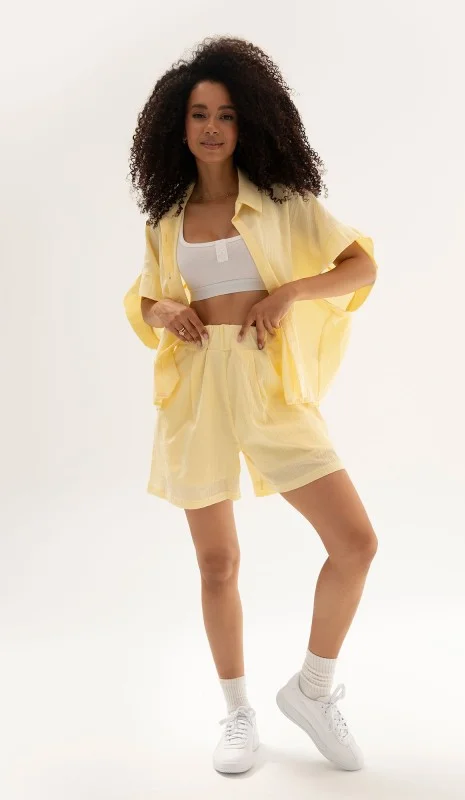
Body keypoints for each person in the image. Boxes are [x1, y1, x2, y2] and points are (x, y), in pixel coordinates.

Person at [124, 35, 379, 775]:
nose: (212, 127)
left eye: (226, 115)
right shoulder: (166, 219)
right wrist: (162, 310)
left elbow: (361, 264)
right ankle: (238, 714)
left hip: (267, 383)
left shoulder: (284, 205)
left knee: (355, 542)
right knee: (218, 562)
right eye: (200, 114)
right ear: (178, 125)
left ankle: (313, 689)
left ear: (248, 123)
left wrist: (291, 291)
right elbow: (144, 299)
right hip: (196, 390)